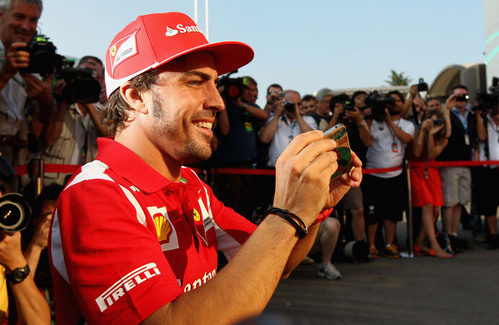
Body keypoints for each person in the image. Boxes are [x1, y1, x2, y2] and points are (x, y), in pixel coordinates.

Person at [48, 12, 362, 324]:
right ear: (136, 96)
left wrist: (314, 204)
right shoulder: (96, 194)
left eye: (214, 83)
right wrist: (286, 212)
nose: (218, 101)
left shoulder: (189, 182)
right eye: (195, 82)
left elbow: (276, 261)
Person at [0, 0, 54, 191]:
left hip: (14, 163)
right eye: (19, 17)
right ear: (1, 15)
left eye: (33, 20)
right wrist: (5, 73)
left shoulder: (34, 63)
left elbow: (40, 126)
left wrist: (46, 101)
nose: (26, 26)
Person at [41, 56, 111, 185]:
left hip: (85, 184)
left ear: (101, 82)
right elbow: (50, 139)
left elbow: (109, 136)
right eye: (82, 76)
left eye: (92, 79)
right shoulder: (58, 104)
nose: (85, 83)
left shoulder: (104, 113)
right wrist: (61, 101)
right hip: (53, 183)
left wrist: (89, 103)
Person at [363, 90, 415, 258]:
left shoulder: (407, 124)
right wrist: (369, 118)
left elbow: (406, 139)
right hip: (373, 176)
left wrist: (390, 122)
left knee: (391, 214)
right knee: (372, 214)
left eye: (398, 101)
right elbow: (367, 140)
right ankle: (371, 245)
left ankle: (389, 244)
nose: (394, 105)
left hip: (395, 175)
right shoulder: (373, 121)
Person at [215, 75, 268, 217]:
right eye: (246, 89)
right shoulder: (226, 107)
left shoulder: (250, 107)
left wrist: (242, 105)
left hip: (249, 165)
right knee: (232, 204)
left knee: (248, 201)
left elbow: (264, 116)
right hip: (229, 165)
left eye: (253, 90)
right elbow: (224, 130)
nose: (250, 93)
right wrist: (223, 103)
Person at [437, 85, 480, 253]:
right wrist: (447, 108)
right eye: (457, 96)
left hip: (466, 163)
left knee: (461, 201)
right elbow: (445, 133)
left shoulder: (470, 115)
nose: (461, 99)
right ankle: (448, 236)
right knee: (450, 201)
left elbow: (476, 137)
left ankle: (454, 234)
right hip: (449, 163)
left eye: (464, 96)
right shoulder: (446, 113)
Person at [409, 109, 452, 258]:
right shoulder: (416, 131)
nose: (434, 123)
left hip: (431, 171)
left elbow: (432, 154)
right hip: (417, 171)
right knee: (427, 206)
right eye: (431, 120)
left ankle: (419, 243)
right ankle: (435, 246)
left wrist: (432, 134)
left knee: (435, 210)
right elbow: (416, 152)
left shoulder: (442, 138)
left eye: (437, 121)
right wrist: (423, 131)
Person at [259, 89, 318, 167]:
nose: (294, 107)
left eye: (298, 104)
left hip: (300, 169)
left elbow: (313, 139)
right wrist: (277, 115)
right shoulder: (275, 119)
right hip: (275, 170)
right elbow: (264, 139)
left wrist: (297, 116)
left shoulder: (308, 120)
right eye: (290, 104)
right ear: (283, 104)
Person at [474, 103, 499, 249]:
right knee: (490, 205)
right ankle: (493, 235)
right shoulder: (483, 121)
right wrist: (479, 116)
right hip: (488, 169)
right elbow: (482, 136)